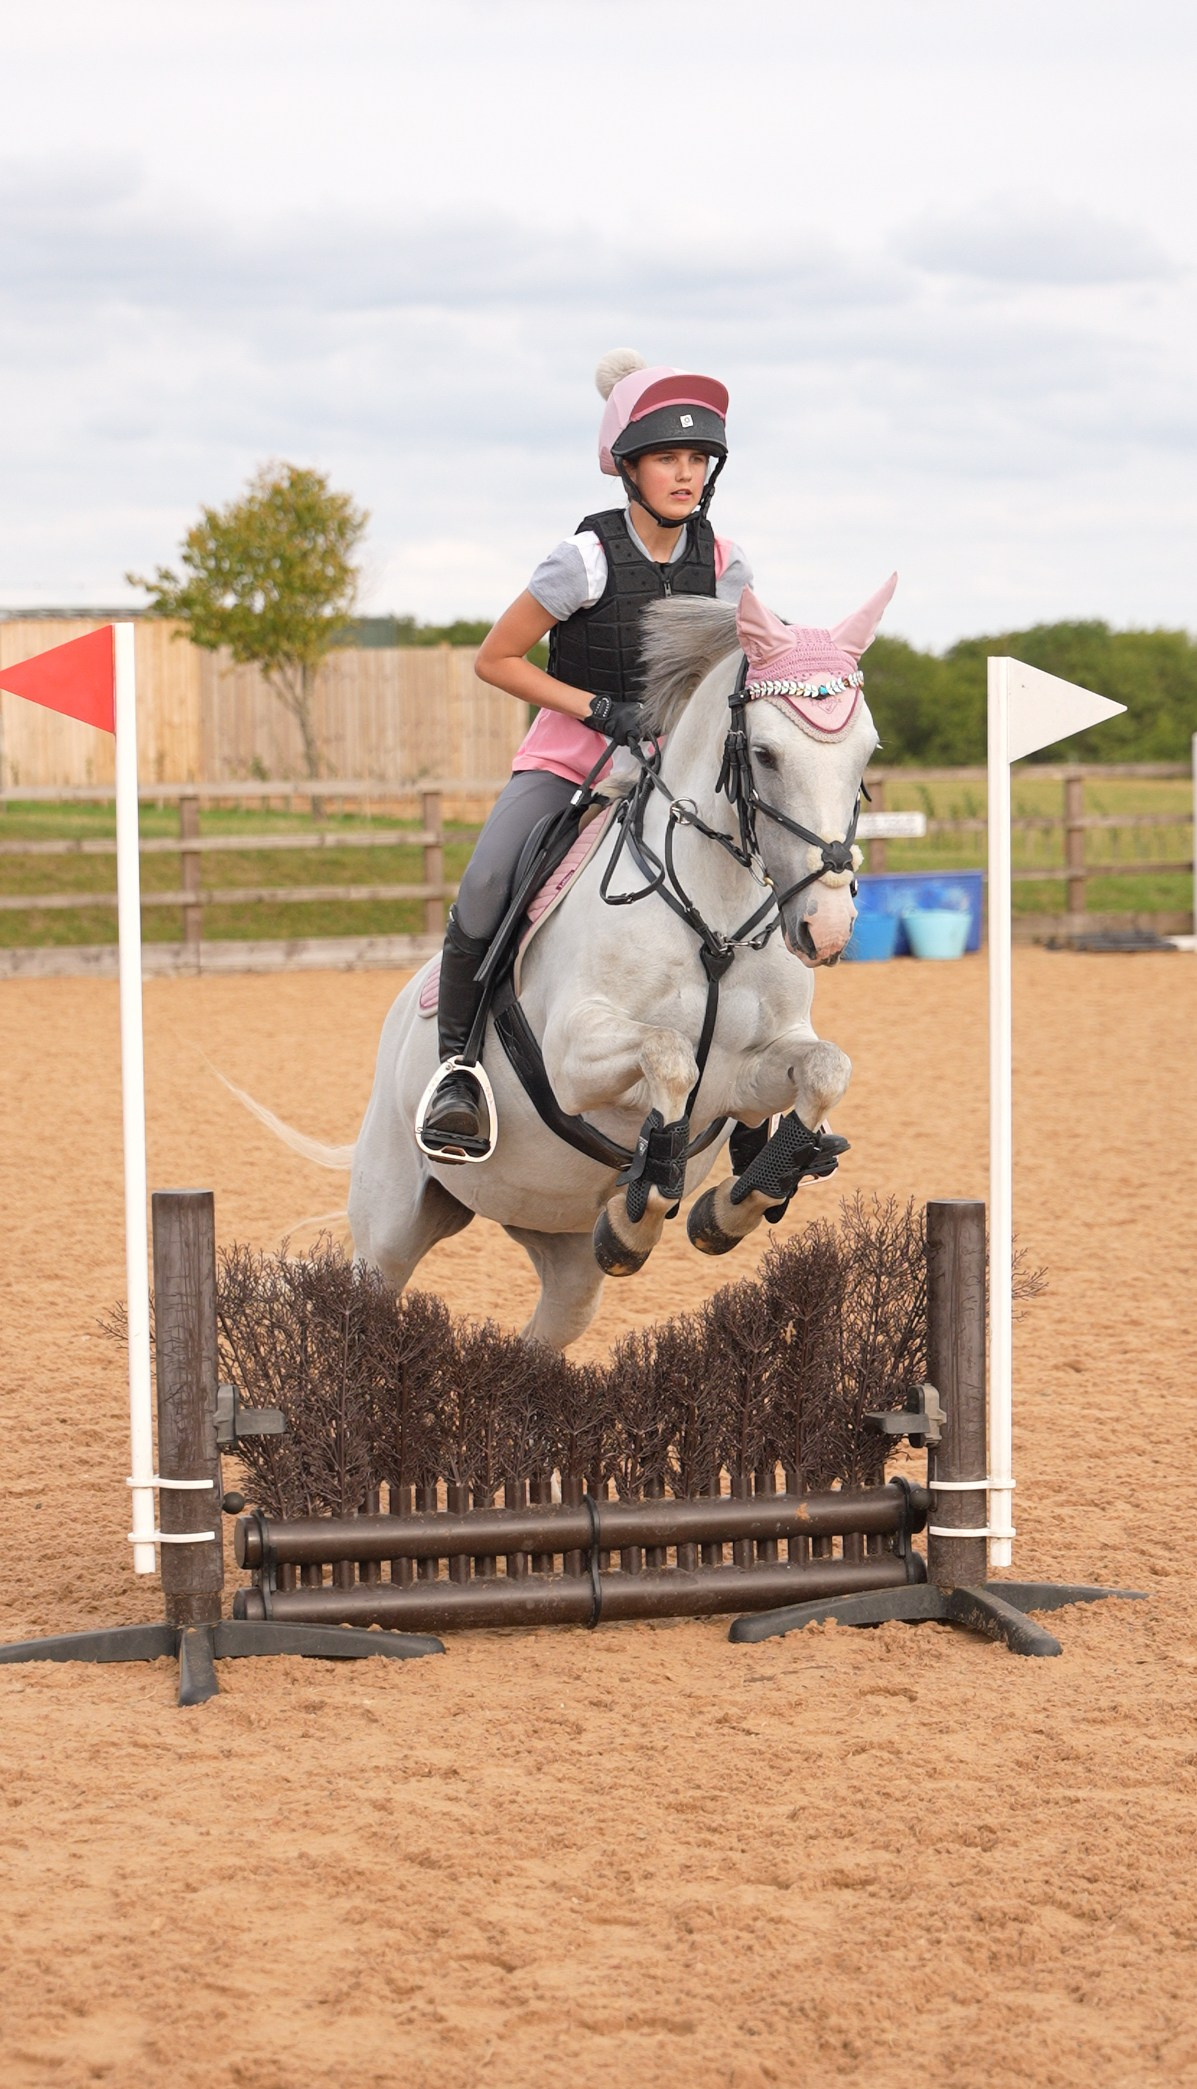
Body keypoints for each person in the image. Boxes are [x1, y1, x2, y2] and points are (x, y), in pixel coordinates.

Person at [418, 349, 754, 1160]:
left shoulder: (725, 563)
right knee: (490, 878)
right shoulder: (583, 560)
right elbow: (494, 660)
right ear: (627, 469)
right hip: (572, 756)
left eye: (697, 459)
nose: (685, 474)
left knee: (763, 874)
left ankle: (757, 1088)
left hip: (680, 764)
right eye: (667, 459)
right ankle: (457, 1070)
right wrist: (598, 709)